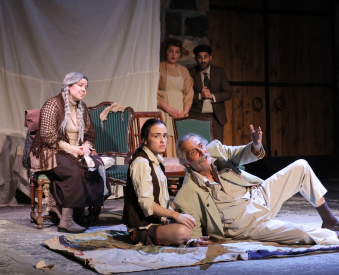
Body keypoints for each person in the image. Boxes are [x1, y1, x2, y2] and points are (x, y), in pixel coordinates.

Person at [174, 127, 339, 244]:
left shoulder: (215, 151)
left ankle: (330, 221)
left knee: (300, 166)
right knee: (299, 233)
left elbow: (240, 153)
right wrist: (193, 241)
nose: (202, 153)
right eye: (194, 152)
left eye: (201, 146)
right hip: (247, 225)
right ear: (187, 163)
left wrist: (256, 144)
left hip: (259, 196)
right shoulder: (188, 191)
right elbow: (192, 223)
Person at [29, 72, 107, 233]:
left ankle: (80, 214)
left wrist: (85, 146)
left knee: (95, 167)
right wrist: (72, 149)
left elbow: (90, 135)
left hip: (75, 152)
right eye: (80, 85)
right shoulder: (53, 104)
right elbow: (47, 136)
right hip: (50, 151)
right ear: (69, 86)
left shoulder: (82, 107)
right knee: (74, 171)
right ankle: (66, 220)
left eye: (86, 87)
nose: (84, 89)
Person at [123, 118, 210, 247]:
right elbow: (147, 205)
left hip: (159, 222)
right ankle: (182, 238)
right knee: (183, 231)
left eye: (164, 136)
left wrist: (178, 216)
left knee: (192, 222)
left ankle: (189, 241)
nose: (162, 140)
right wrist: (175, 215)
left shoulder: (158, 160)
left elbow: (161, 201)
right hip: (143, 228)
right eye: (156, 136)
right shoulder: (142, 163)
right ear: (145, 140)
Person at [157, 38, 194, 157]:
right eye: (170, 51)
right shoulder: (159, 68)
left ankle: (180, 168)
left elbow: (189, 93)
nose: (173, 54)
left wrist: (185, 111)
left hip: (180, 112)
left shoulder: (184, 71)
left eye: (177, 52)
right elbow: (155, 93)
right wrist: (169, 110)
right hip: (165, 111)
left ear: (180, 54)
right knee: (165, 139)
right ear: (166, 52)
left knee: (181, 141)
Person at [188, 44, 231, 142]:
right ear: (196, 59)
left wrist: (213, 96)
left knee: (216, 147)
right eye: (200, 57)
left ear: (210, 57)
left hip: (216, 117)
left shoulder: (219, 71)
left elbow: (228, 93)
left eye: (205, 57)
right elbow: (186, 96)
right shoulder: (191, 73)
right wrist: (200, 96)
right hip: (197, 116)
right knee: (198, 145)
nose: (203, 60)